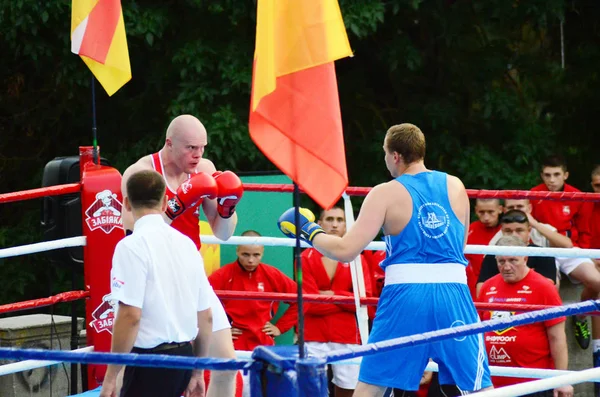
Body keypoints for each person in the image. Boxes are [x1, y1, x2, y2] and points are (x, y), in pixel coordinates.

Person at [279, 123, 492, 395]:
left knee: (371, 386)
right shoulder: (456, 185)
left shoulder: (385, 192)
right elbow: (459, 248)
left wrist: (309, 231)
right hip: (454, 296)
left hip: (406, 298)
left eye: (384, 154)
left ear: (395, 156)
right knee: (478, 389)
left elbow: (346, 250)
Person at [120, 114, 242, 397]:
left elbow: (223, 234)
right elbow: (133, 232)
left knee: (226, 364)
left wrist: (227, 209)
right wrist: (175, 206)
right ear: (170, 144)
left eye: (203, 147)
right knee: (154, 370)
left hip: (192, 273)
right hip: (155, 279)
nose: (198, 155)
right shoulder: (141, 173)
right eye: (191, 148)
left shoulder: (206, 169)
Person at [100, 170, 213, 397]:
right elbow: (206, 316)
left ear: (126, 203)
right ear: (164, 202)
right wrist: (197, 371)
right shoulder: (187, 244)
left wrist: (111, 377)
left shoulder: (131, 246)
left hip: (150, 362)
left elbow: (130, 315)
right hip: (184, 357)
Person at [478, 236, 573, 397]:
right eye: (501, 261)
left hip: (533, 383)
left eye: (513, 260)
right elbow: (477, 332)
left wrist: (562, 379)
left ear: (525, 258)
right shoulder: (488, 287)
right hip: (494, 382)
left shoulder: (543, 287)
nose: (506, 267)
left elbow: (557, 337)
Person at [300, 206, 373, 397]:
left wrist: (330, 294)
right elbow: (308, 303)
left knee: (349, 388)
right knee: (311, 388)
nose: (334, 224)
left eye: (340, 220)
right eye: (330, 219)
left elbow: (363, 302)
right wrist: (344, 300)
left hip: (346, 333)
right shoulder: (304, 258)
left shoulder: (358, 259)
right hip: (313, 333)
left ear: (347, 225)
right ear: (319, 224)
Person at [475, 208, 558, 297]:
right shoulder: (492, 255)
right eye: (508, 231)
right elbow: (481, 292)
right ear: (502, 231)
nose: (514, 235)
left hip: (531, 304)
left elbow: (548, 290)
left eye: (519, 230)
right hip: (500, 304)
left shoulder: (543, 254)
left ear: (529, 231)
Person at [530, 155, 591, 248]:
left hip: (570, 247)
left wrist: (583, 252)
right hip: (542, 246)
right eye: (547, 175)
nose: (552, 180)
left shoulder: (577, 196)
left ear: (565, 175)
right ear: (542, 176)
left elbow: (584, 231)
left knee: (587, 263)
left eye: (557, 174)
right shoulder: (534, 194)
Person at [465, 199, 503, 298]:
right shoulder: (469, 231)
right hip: (473, 287)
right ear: (476, 210)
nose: (486, 217)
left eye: (491, 212)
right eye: (481, 212)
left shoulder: (508, 230)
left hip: (501, 284)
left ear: (500, 209)